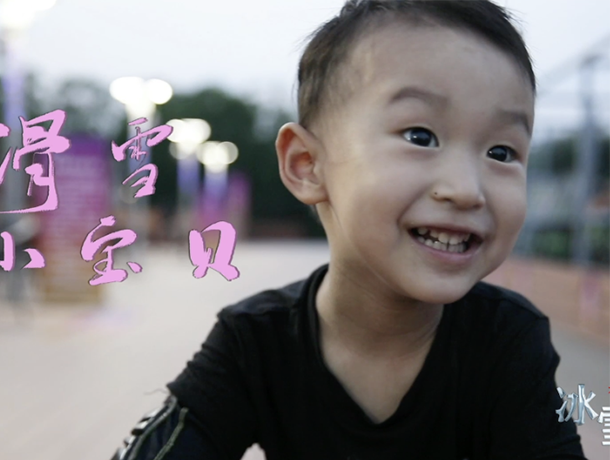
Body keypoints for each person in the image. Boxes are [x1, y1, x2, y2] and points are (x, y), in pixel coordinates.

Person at [110, 1, 587, 458]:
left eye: (502, 152)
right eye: (420, 136)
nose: (466, 190)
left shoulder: (506, 340)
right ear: (307, 165)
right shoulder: (255, 341)